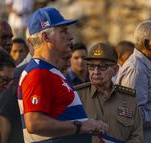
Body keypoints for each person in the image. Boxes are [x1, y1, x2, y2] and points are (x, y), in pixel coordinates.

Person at [18, 7, 108, 143]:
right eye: (63, 32)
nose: (71, 37)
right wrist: (81, 126)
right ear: (45, 37)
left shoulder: (49, 71)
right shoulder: (38, 73)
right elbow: (35, 123)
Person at [75, 42, 143, 142]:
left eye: (102, 67)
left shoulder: (128, 98)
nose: (96, 72)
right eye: (91, 66)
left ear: (115, 70)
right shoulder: (77, 96)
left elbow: (137, 136)